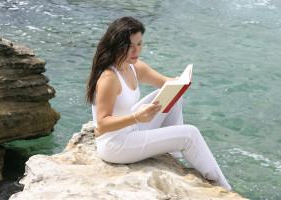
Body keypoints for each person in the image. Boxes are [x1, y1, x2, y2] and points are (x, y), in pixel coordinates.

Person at [86, 16, 231, 191]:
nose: (136, 51)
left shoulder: (132, 66)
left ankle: (173, 152)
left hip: (132, 130)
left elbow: (165, 82)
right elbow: (101, 124)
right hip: (115, 144)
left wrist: (180, 82)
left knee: (174, 96)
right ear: (117, 45)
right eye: (129, 45)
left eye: (139, 44)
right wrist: (136, 117)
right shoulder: (109, 77)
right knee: (189, 134)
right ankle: (225, 188)